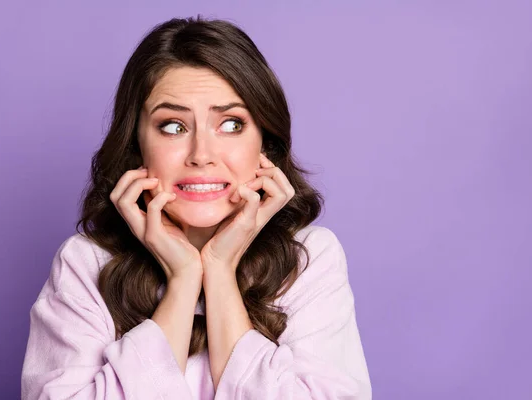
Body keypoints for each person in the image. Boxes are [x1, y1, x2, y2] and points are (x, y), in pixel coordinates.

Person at [21, 16, 372, 400]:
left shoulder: (309, 258)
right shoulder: (85, 263)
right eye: (173, 127)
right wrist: (183, 277)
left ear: (265, 145)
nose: (201, 155)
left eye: (231, 124)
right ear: (137, 145)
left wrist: (219, 270)